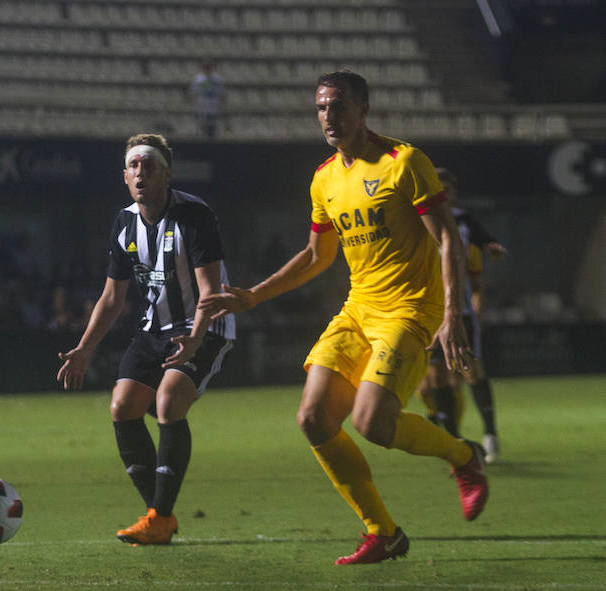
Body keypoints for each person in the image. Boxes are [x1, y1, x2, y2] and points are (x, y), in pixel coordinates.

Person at [199, 71, 489, 565]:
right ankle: (383, 532)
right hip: (358, 310)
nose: (328, 117)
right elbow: (317, 256)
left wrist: (453, 316)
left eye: (338, 106)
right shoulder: (324, 178)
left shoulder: (405, 162)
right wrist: (255, 296)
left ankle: (464, 457)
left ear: (363, 109)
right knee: (313, 419)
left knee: (373, 423)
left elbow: (448, 240)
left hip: (410, 310)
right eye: (321, 108)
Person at [57, 133, 236, 545]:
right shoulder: (124, 223)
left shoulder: (194, 215)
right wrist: (85, 348)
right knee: (122, 407)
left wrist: (195, 338)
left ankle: (160, 517)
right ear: (124, 176)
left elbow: (210, 292)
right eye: (134, 166)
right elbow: (112, 297)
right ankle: (159, 515)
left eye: (149, 165)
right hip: (155, 328)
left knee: (168, 403)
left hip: (204, 326)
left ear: (166, 174)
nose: (141, 172)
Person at [417, 168, 506, 462]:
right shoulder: (415, 219)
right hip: (428, 312)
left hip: (460, 311)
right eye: (437, 188)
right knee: (435, 377)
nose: (442, 193)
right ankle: (454, 442)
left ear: (453, 193)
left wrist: (492, 247)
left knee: (471, 371)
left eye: (446, 189)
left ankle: (490, 434)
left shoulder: (463, 220)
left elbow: (485, 241)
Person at [189, 62, 225, 138]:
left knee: (212, 124)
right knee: (201, 124)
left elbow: (221, 93)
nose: (207, 70)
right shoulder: (198, 79)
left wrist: (221, 104)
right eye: (205, 68)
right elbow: (194, 92)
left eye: (208, 68)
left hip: (213, 104)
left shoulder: (217, 79)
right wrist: (193, 103)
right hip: (201, 104)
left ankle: (212, 137)